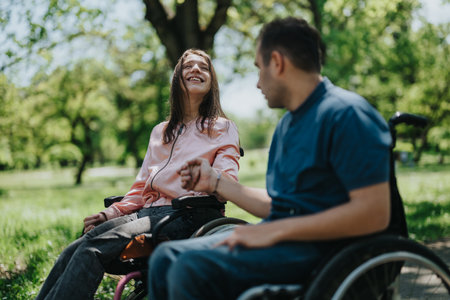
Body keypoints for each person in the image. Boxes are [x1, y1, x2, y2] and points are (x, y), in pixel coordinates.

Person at [148, 17, 392, 300]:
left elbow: (374, 214)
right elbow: (283, 205)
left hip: (325, 251)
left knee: (188, 268)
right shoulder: (288, 126)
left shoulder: (346, 114)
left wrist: (275, 231)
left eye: (259, 69)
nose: (257, 83)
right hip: (287, 240)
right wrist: (215, 182)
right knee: (166, 258)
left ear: (277, 62)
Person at [36, 49, 241, 300]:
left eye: (203, 67)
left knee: (93, 247)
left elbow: (229, 183)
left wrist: (210, 179)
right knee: (74, 249)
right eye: (188, 66)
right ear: (177, 78)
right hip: (148, 214)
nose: (196, 70)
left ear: (211, 83)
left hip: (190, 215)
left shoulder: (222, 127)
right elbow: (141, 188)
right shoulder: (160, 132)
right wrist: (108, 213)